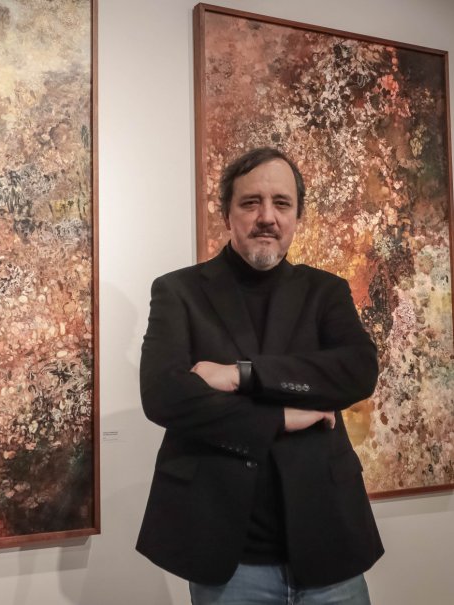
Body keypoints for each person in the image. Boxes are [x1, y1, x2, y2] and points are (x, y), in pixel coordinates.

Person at [136, 147, 383, 604]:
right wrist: (281, 417)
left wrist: (242, 376)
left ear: (297, 217)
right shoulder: (178, 291)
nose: (267, 216)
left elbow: (357, 371)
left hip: (329, 546)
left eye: (281, 203)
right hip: (228, 558)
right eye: (251, 202)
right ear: (226, 213)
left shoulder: (326, 291)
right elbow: (164, 395)